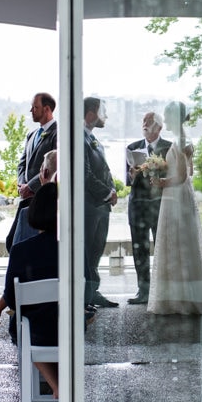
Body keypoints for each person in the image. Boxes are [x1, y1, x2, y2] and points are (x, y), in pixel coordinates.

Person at [146, 102, 202, 315]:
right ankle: (181, 295)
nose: (164, 119)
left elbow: (184, 176)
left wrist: (161, 181)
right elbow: (190, 170)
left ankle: (180, 298)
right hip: (179, 196)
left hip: (176, 196)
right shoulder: (183, 139)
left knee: (178, 241)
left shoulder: (181, 140)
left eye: (166, 115)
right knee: (180, 241)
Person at [0, 150, 58, 332]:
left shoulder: (27, 213)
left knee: (22, 264)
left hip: (34, 320)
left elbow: (13, 246)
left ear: (43, 174)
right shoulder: (75, 239)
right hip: (70, 322)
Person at [2, 182, 60, 396]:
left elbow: (10, 297)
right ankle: (60, 386)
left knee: (24, 327)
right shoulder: (74, 248)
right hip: (69, 329)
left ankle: (56, 386)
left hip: (36, 332)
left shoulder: (21, 250)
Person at [125, 111, 171, 305]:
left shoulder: (169, 148)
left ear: (159, 127)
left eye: (149, 122)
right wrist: (132, 175)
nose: (145, 124)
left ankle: (163, 290)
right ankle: (143, 291)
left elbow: (174, 175)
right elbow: (128, 180)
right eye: (143, 121)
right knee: (140, 249)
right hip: (138, 204)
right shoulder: (132, 147)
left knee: (163, 247)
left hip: (160, 204)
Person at [5, 92, 57, 252]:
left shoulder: (57, 133)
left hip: (43, 197)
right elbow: (22, 162)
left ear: (47, 109)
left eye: (35, 107)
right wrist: (22, 184)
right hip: (26, 197)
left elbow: (53, 165)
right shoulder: (32, 134)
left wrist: (31, 186)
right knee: (12, 242)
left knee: (25, 242)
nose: (31, 111)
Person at [83, 96, 118, 308]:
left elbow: (104, 170)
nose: (105, 115)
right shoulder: (79, 139)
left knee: (96, 252)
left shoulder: (93, 139)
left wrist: (112, 189)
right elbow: (86, 175)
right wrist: (108, 193)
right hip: (89, 208)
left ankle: (93, 293)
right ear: (90, 114)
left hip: (101, 207)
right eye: (102, 111)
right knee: (86, 253)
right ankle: (85, 297)